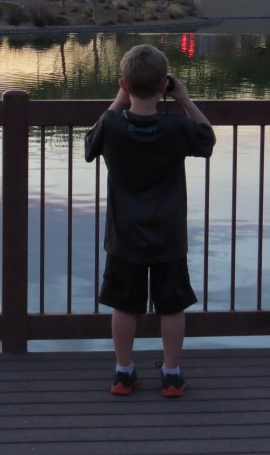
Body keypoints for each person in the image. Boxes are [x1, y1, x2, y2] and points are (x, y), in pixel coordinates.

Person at [84, 44, 215, 398]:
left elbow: (89, 145)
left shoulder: (112, 124)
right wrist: (185, 100)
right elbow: (206, 139)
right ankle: (171, 375)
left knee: (124, 305)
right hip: (168, 234)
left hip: (124, 234)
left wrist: (118, 100)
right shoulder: (175, 126)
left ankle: (124, 373)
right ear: (164, 86)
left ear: (123, 85)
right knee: (171, 305)